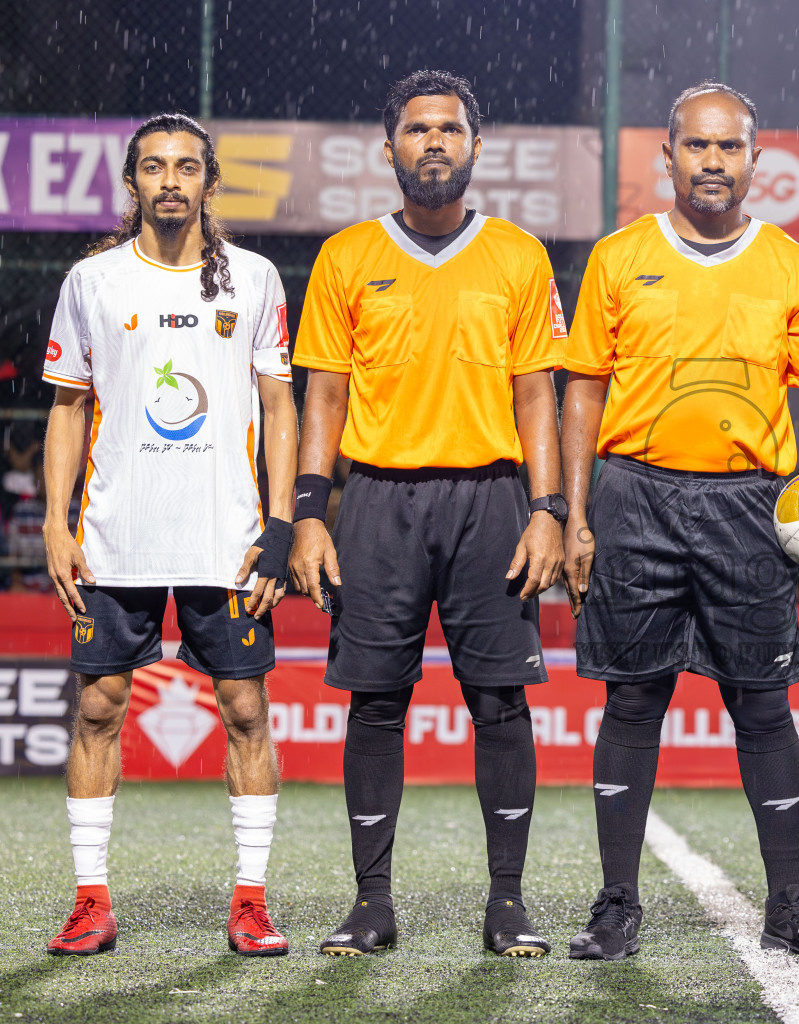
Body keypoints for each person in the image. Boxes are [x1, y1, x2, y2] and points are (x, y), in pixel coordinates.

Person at [559, 81, 799, 962]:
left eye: (730, 147)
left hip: (749, 507)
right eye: (697, 146)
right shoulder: (617, 257)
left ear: (755, 159)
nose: (713, 161)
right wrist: (571, 513)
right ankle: (616, 905)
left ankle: (789, 905)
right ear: (665, 157)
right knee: (633, 702)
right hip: (633, 495)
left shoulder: (788, 264)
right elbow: (584, 391)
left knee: (762, 705)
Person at [289, 70, 565, 958]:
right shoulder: (345, 257)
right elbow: (322, 399)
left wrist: (549, 509)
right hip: (374, 501)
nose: (434, 142)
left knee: (500, 701)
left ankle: (508, 903)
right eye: (417, 130)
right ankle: (372, 904)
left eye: (450, 129)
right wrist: (309, 513)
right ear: (390, 149)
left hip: (491, 499)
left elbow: (537, 400)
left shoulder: (520, 256)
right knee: (374, 702)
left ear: (477, 146)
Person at [39, 113, 296, 957]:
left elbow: (281, 409)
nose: (172, 182)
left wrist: (283, 525)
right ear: (133, 183)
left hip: (228, 542)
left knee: (246, 708)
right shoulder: (94, 282)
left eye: (187, 167)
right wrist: (54, 519)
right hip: (117, 539)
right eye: (155, 168)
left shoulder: (253, 279)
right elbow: (68, 410)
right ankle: (90, 903)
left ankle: (251, 902)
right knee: (98, 708)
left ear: (210, 183)